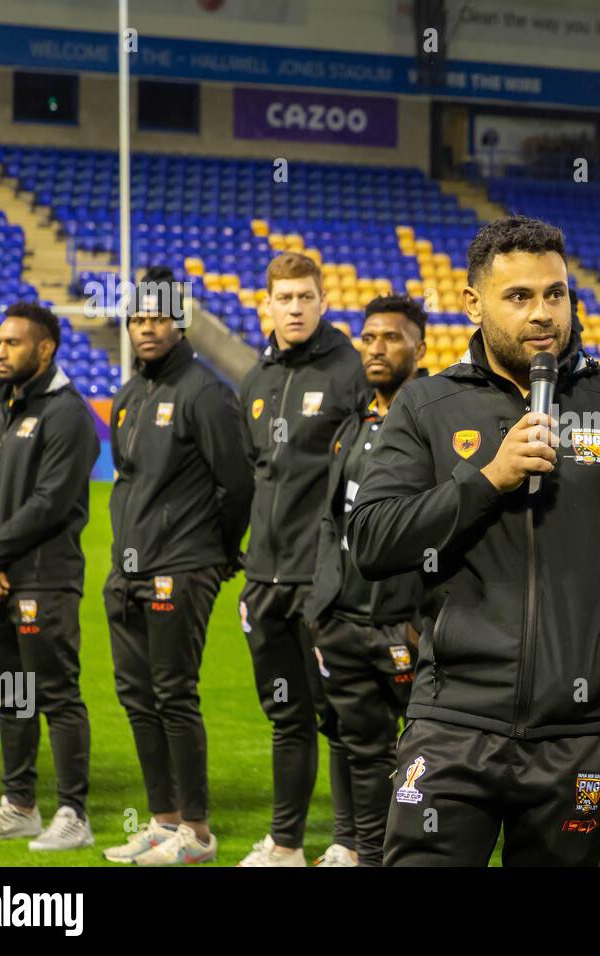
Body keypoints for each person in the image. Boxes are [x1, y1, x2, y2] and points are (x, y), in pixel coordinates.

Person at [350, 215, 600, 866]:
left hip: (580, 733)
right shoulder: (427, 407)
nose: (543, 312)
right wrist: (488, 477)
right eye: (519, 297)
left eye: (556, 293)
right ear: (473, 303)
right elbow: (375, 540)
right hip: (453, 722)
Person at [101, 267, 253, 865]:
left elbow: (237, 484)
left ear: (179, 321)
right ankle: (163, 823)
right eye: (137, 319)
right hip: (127, 572)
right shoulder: (129, 395)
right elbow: (128, 482)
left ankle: (197, 832)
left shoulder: (205, 393)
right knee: (137, 696)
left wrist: (211, 555)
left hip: (182, 567)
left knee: (174, 695)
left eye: (157, 318)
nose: (145, 329)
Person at [0, 302, 99, 851]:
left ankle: (73, 814)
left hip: (44, 579)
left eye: (13, 342)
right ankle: (18, 805)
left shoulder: (68, 415)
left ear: (45, 349)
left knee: (56, 694)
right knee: (10, 693)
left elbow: (50, 505)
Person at [237, 252, 366, 867]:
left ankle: (348, 842)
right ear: (267, 305)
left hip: (326, 581)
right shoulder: (255, 379)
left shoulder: (350, 373)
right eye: (283, 298)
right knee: (287, 715)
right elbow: (251, 476)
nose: (294, 308)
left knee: (342, 718)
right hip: (266, 580)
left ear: (323, 301)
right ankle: (287, 844)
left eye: (305, 297)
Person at [305, 294, 428, 867]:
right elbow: (334, 518)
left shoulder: (438, 418)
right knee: (359, 745)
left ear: (420, 347)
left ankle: (419, 851)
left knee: (427, 752)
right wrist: (321, 603)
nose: (377, 348)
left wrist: (425, 618)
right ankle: (362, 850)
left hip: (403, 623)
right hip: (344, 618)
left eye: (392, 338)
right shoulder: (356, 421)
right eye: (369, 337)